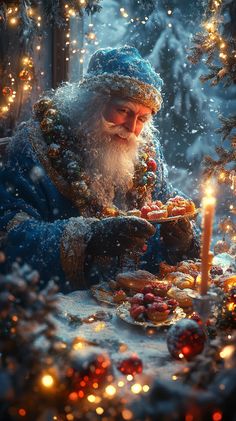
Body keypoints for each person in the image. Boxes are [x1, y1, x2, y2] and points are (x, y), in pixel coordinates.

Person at [0, 46, 199, 292]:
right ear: (92, 103)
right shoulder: (37, 145)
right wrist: (88, 240)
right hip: (63, 312)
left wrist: (181, 242)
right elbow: (9, 233)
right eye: (123, 110)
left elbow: (165, 204)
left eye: (143, 119)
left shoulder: (144, 151)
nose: (131, 128)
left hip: (136, 309)